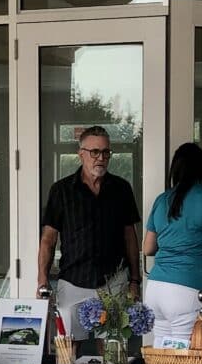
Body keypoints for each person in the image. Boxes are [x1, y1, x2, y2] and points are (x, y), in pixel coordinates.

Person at [37, 125, 141, 338]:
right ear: (81, 154)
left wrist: (134, 280)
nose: (100, 157)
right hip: (73, 279)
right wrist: (42, 281)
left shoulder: (121, 189)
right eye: (94, 152)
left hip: (113, 281)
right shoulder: (61, 191)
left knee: (113, 348)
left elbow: (130, 236)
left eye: (105, 152)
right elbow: (48, 240)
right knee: (68, 347)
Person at [142, 143, 202, 343]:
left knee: (163, 357)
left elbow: (148, 248)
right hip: (186, 289)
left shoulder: (162, 200)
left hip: (155, 288)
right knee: (185, 358)